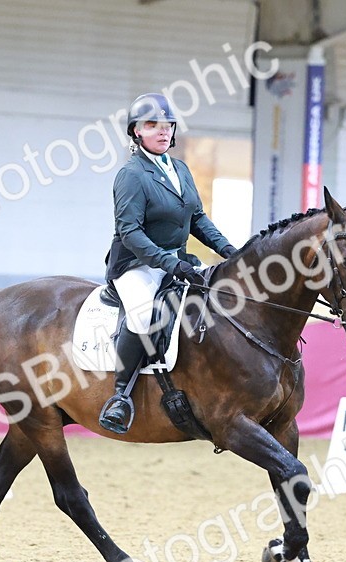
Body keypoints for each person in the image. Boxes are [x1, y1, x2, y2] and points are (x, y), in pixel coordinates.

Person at [99, 92, 237, 434]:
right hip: (136, 264)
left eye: (167, 125)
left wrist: (231, 252)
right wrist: (168, 263)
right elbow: (129, 231)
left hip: (176, 261)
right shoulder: (131, 175)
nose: (162, 131)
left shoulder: (180, 169)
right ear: (136, 132)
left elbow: (198, 219)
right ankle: (120, 396)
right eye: (152, 125)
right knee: (144, 313)